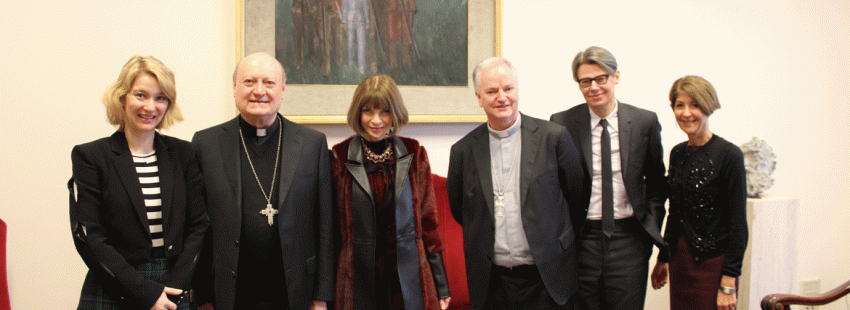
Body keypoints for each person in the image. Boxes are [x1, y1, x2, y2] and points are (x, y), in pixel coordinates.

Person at [191, 52, 334, 310]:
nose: (259, 91)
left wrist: (321, 296)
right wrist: (203, 297)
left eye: (268, 83)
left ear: (282, 89)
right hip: (230, 294)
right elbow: (198, 229)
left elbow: (325, 225)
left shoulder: (312, 144)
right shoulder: (206, 144)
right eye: (249, 82)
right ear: (234, 88)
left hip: (295, 293)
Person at [69, 56, 208, 310]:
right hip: (115, 286)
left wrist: (173, 286)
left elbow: (199, 226)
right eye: (140, 95)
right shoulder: (90, 157)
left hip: (173, 286)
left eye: (160, 98)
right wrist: (145, 292)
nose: (150, 106)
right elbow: (89, 236)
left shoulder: (185, 155)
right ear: (122, 98)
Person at [447, 57, 585, 310]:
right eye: (492, 91)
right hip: (493, 283)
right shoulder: (463, 151)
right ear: (479, 97)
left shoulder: (553, 138)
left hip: (546, 278)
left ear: (517, 90)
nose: (502, 97)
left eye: (508, 88)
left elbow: (576, 198)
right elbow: (461, 210)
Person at [549, 46, 667, 310]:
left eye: (601, 78)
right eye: (585, 81)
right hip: (582, 241)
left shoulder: (643, 122)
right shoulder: (562, 123)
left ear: (616, 77)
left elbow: (658, 184)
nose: (594, 87)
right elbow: (555, 188)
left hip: (629, 240)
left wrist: (651, 229)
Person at [330, 74, 451, 310]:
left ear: (395, 113)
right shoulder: (338, 156)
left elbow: (429, 224)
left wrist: (441, 284)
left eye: (384, 111)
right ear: (358, 113)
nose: (376, 120)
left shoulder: (414, 153)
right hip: (357, 278)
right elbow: (331, 231)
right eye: (368, 111)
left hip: (408, 275)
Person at [650, 75, 748, 310]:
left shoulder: (729, 155)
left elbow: (737, 223)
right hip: (680, 260)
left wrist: (728, 283)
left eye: (695, 105)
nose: (686, 113)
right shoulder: (678, 153)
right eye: (679, 105)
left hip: (713, 266)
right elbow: (675, 213)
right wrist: (663, 257)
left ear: (708, 107)